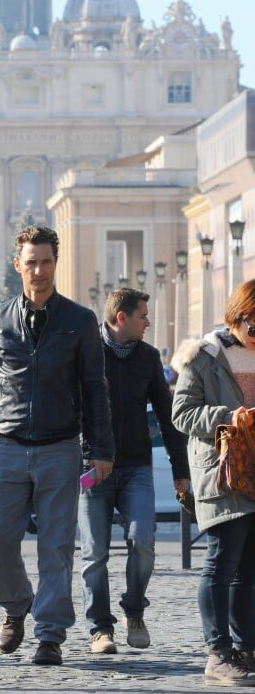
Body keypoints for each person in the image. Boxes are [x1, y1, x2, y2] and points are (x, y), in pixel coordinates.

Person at [0, 225, 114, 666]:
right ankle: (15, 605)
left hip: (61, 446)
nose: (39, 270)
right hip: (6, 446)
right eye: (31, 262)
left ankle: (50, 634)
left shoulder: (79, 321)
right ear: (18, 265)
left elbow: (95, 389)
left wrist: (101, 449)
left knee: (57, 546)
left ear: (55, 263)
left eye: (46, 261)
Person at [79, 287, 190, 655]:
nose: (149, 321)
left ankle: (134, 610)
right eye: (143, 315)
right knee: (95, 553)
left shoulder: (146, 357)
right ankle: (100, 628)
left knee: (142, 539)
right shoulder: (87, 354)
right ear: (122, 318)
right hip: (92, 467)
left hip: (136, 466)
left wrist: (181, 470)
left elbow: (167, 415)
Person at [172, 280, 255, 687]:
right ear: (236, 318)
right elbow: (182, 413)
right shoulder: (205, 355)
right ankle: (217, 652)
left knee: (250, 567)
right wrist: (230, 416)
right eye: (253, 326)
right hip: (221, 472)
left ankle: (245, 648)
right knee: (222, 561)